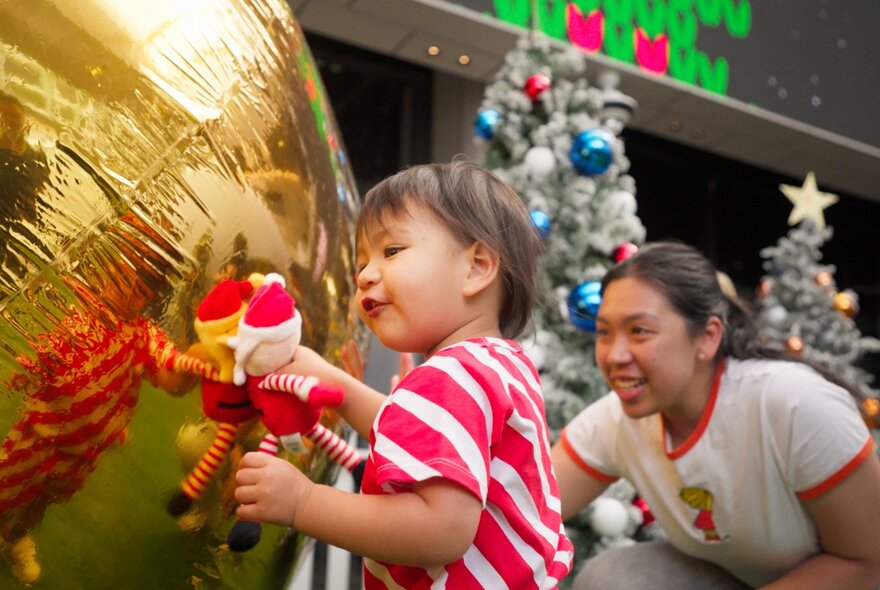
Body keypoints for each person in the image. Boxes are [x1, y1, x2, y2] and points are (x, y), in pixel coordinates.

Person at [234, 160, 573, 588]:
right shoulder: (498, 364)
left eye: (391, 251)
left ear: (477, 267)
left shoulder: (452, 375)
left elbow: (441, 529)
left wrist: (303, 502)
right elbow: (419, 439)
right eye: (361, 263)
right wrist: (333, 382)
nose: (365, 275)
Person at [551, 241, 880, 590]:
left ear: (707, 337)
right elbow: (522, 512)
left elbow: (868, 563)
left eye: (639, 331)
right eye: (604, 332)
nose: (614, 355)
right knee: (616, 577)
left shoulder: (795, 404)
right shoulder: (615, 422)